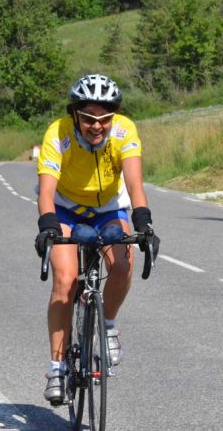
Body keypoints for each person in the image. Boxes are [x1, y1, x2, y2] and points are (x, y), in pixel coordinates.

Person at [35, 74, 155, 404]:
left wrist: (144, 222)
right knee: (65, 279)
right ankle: (57, 367)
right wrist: (47, 226)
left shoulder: (124, 130)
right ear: (75, 115)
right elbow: (45, 191)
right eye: (88, 118)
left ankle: (109, 325)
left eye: (104, 119)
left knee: (122, 265)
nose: (97, 126)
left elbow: (134, 184)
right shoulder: (58, 133)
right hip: (65, 209)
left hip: (108, 208)